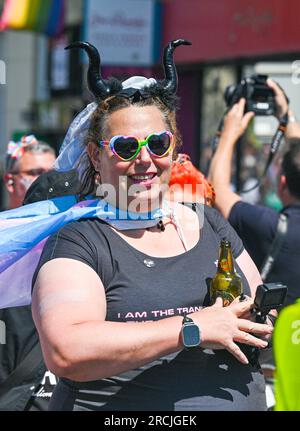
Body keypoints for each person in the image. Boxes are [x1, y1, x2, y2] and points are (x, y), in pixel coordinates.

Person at [30, 39, 274, 411]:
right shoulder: (80, 240)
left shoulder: (206, 220)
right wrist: (191, 329)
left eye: (158, 143)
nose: (145, 159)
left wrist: (256, 318)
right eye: (126, 147)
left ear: (173, 149)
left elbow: (257, 309)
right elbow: (67, 350)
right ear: (97, 155)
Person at [208, 79, 300, 307]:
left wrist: (229, 134)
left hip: (283, 338)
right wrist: (286, 115)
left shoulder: (269, 225)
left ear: (282, 183)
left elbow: (216, 190)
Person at [0, 135, 57, 411]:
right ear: (10, 180)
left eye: (52, 173)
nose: (46, 181)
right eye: (35, 173)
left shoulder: (73, 237)